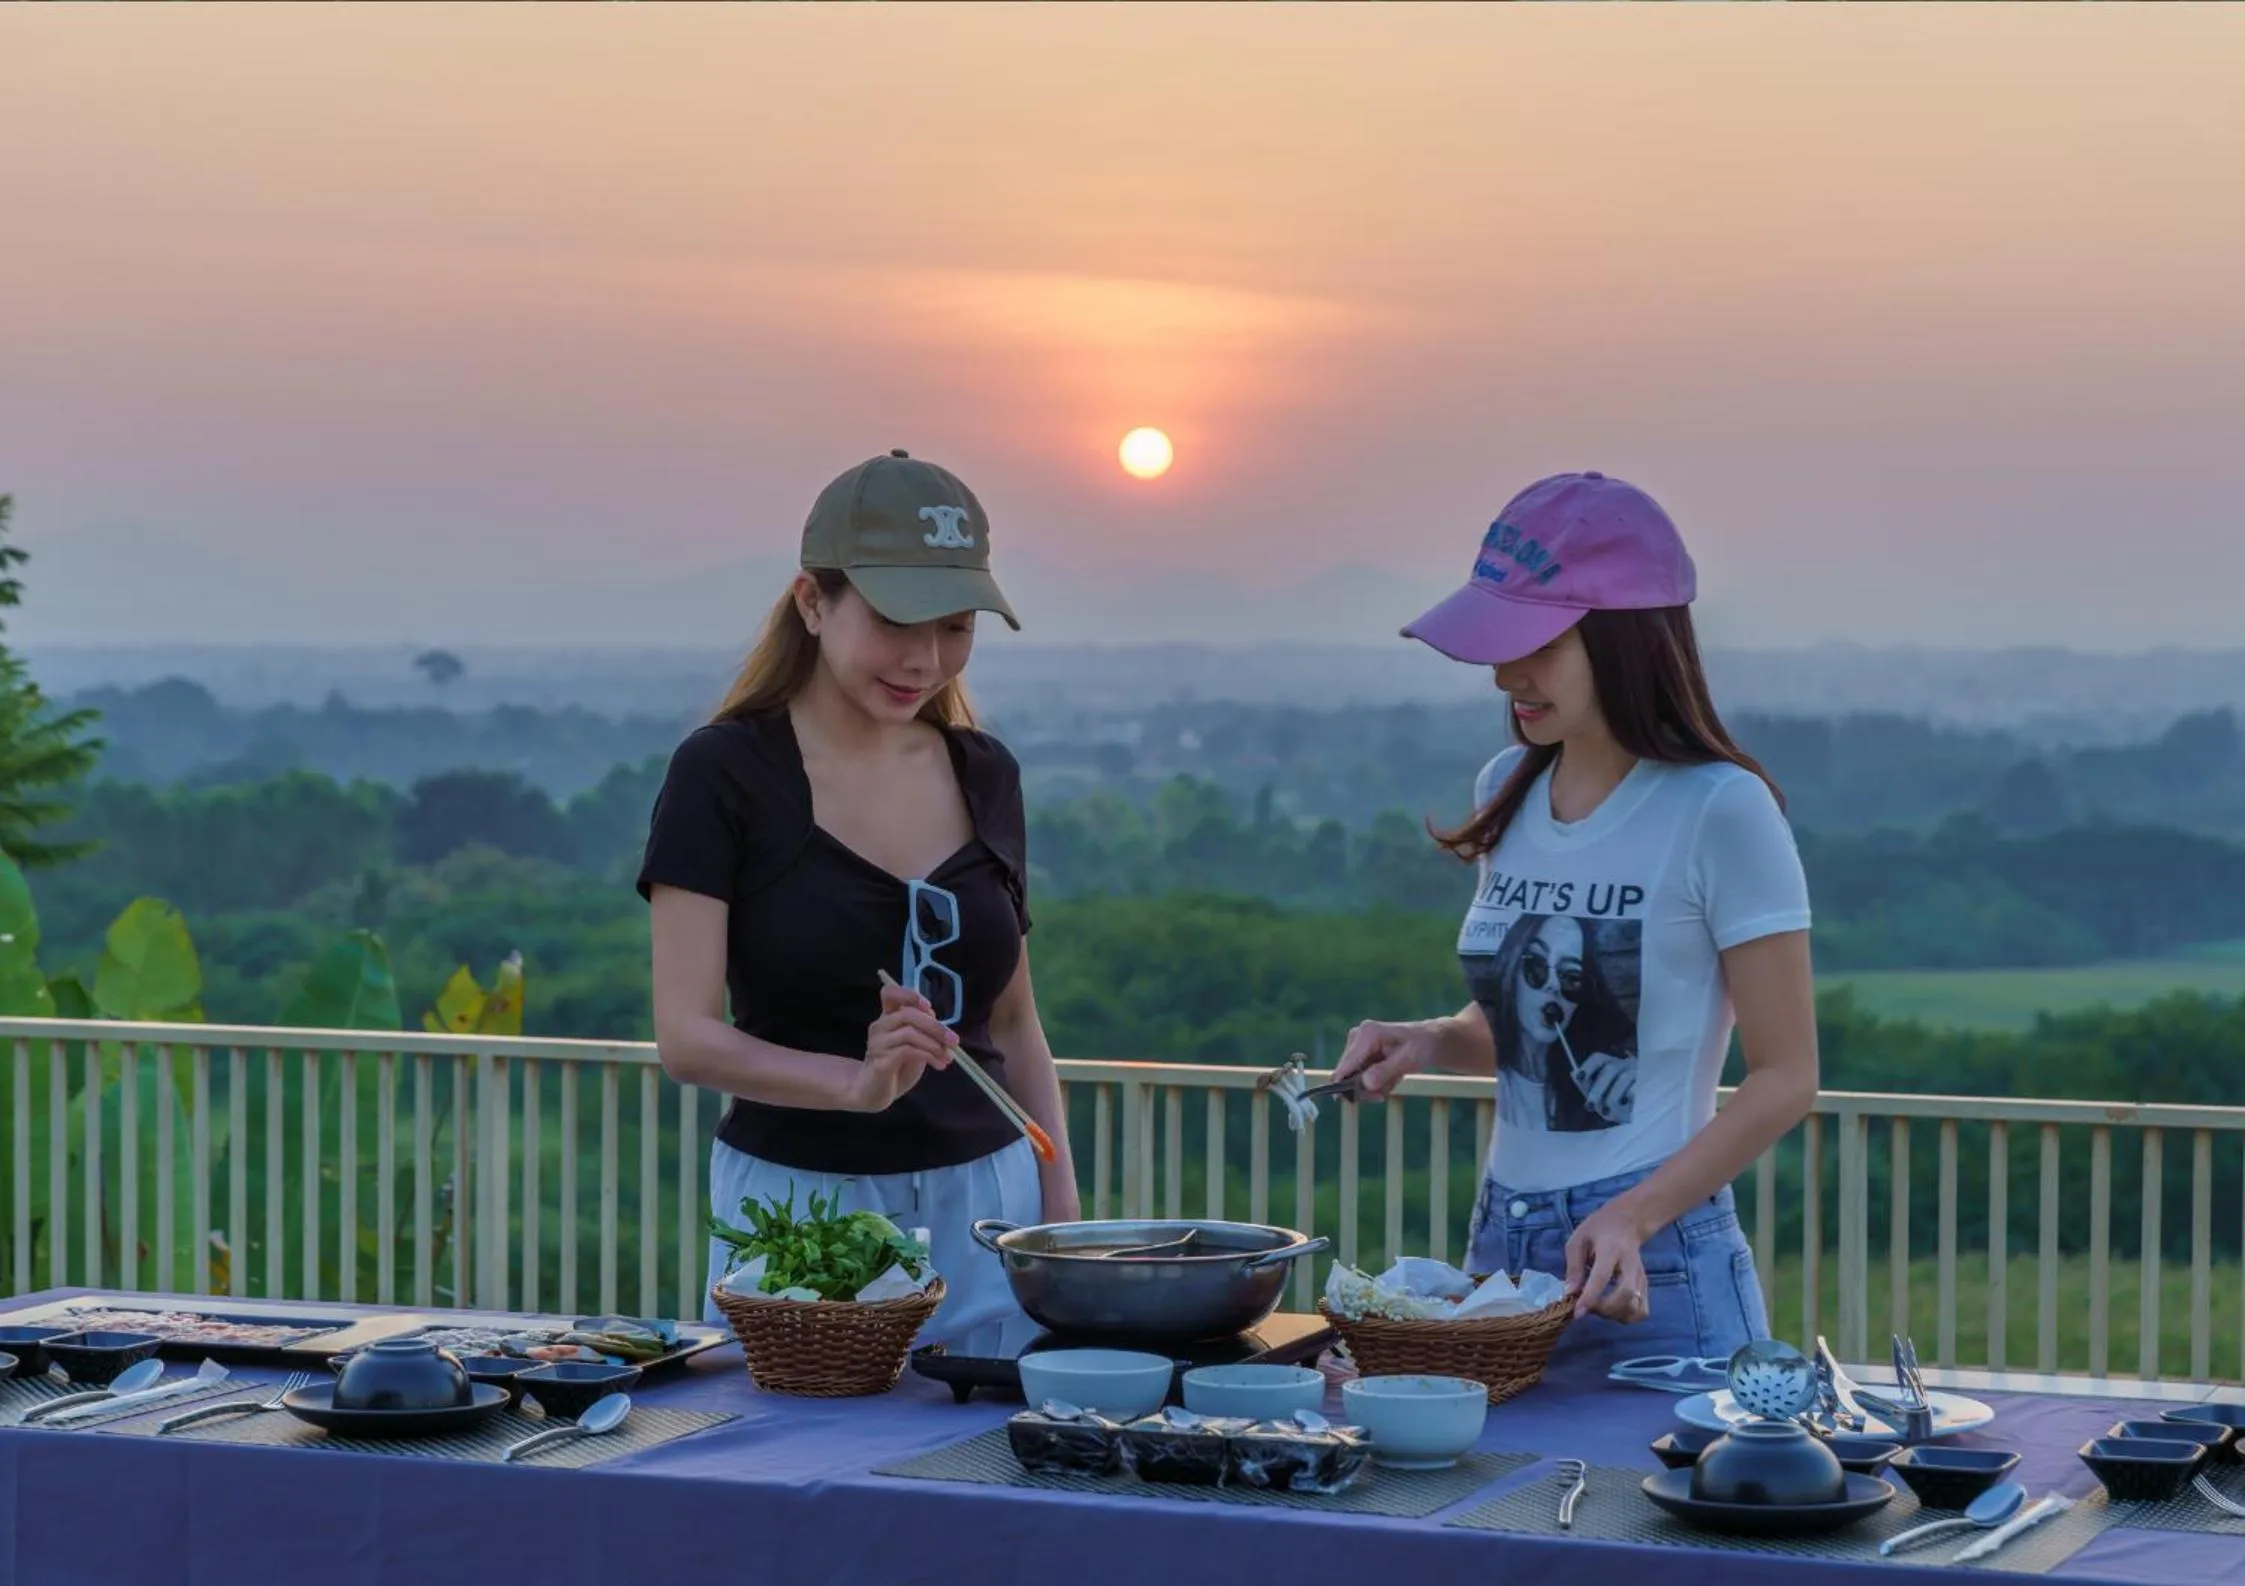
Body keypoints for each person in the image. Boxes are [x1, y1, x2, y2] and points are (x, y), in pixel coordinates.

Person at [1334, 470, 1817, 1371]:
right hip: (1503, 1258)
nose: (1503, 675)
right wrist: (1431, 1040)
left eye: (1534, 645)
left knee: (1662, 1512)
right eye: (1497, 643)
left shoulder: (1721, 808)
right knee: (1488, 1510)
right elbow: (1537, 1031)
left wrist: (1632, 1214)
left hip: (1654, 1268)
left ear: (1625, 641)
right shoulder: (1505, 792)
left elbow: (1786, 1076)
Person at [637, 448, 1079, 1344]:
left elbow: (1017, 1024)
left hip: (992, 1203)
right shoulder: (724, 773)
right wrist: (855, 1085)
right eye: (895, 620)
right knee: (799, 1469)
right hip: (803, 1211)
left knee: (997, 1468)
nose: (926, 658)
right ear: (812, 602)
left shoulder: (984, 772)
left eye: (956, 626)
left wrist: (1059, 1230)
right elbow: (686, 1038)